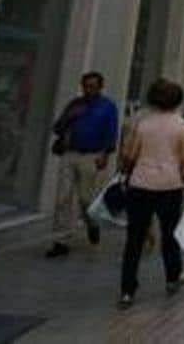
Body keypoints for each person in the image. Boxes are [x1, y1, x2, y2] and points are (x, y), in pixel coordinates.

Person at [117, 78, 184, 309]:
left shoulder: (142, 124)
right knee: (170, 234)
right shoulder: (182, 126)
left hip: (140, 184)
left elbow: (129, 155)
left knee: (134, 239)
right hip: (169, 186)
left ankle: (127, 290)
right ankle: (173, 276)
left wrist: (125, 171)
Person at [45, 71, 119, 258]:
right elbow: (58, 126)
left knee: (86, 199)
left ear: (100, 87)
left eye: (93, 86)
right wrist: (69, 118)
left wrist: (105, 154)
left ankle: (92, 224)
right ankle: (61, 240)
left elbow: (111, 132)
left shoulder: (107, 107)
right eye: (86, 86)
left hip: (92, 156)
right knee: (63, 197)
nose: (89, 90)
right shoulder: (75, 105)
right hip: (71, 153)